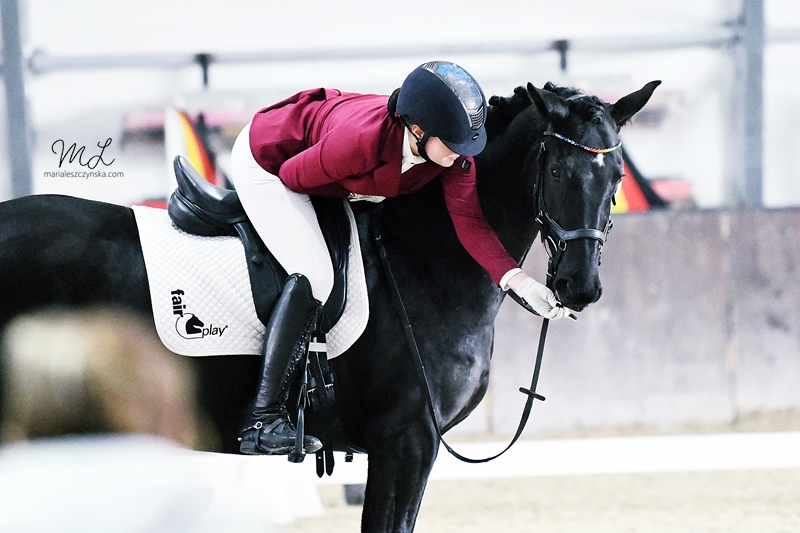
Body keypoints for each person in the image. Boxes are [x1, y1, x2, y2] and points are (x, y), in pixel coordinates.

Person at [230, 60, 574, 456]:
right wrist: (361, 191)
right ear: (418, 131)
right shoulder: (359, 143)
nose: (464, 155)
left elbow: (470, 223)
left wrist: (521, 284)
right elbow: (294, 177)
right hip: (269, 161)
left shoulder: (451, 154)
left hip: (315, 156)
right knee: (315, 276)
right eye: (454, 144)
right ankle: (263, 417)